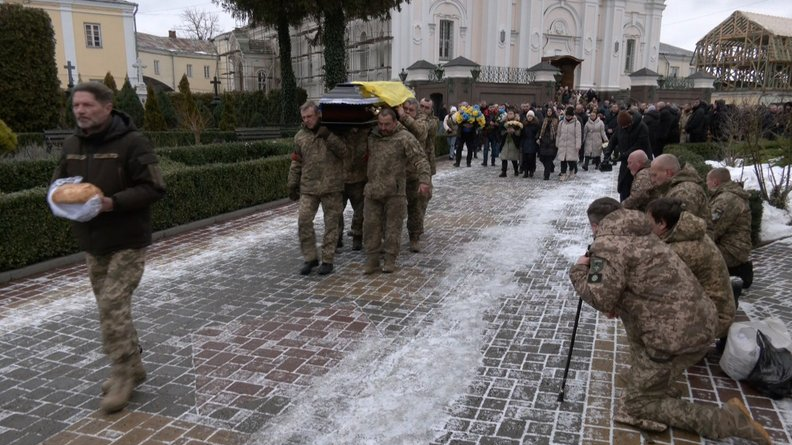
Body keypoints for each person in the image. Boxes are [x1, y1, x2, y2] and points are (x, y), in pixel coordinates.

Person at [569, 197, 771, 444]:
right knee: (639, 370)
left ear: (595, 226)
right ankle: (659, 385)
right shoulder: (643, 233)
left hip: (672, 336)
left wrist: (579, 271)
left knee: (636, 406)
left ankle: (728, 421)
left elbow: (600, 298)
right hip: (700, 322)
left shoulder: (606, 246)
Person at [51, 81, 166, 413]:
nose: (80, 111)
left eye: (87, 105)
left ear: (107, 106)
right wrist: (57, 197)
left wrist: (111, 203)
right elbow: (60, 182)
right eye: (76, 106)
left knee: (112, 304)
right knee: (111, 306)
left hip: (128, 240)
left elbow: (155, 187)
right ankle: (134, 364)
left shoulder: (133, 143)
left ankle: (121, 374)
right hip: (92, 241)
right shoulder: (72, 143)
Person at [646, 198, 736, 341]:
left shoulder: (682, 249)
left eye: (649, 221)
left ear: (662, 224)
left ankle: (677, 350)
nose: (646, 225)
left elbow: (652, 281)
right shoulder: (686, 232)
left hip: (714, 316)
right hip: (715, 304)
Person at [363, 108, 431, 274]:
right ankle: (372, 260)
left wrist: (424, 180)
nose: (383, 128)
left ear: (395, 122)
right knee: (371, 227)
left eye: (387, 124)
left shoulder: (404, 138)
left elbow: (420, 159)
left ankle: (390, 259)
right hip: (372, 191)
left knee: (393, 228)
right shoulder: (371, 137)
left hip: (395, 192)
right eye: (380, 124)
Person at [288, 101, 346, 275]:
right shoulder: (300, 137)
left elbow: (344, 152)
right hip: (309, 186)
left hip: (332, 186)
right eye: (304, 117)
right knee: (304, 221)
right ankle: (310, 258)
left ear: (318, 114)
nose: (307, 120)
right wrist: (292, 183)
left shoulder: (333, 130)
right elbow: (296, 162)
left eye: (310, 116)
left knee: (331, 224)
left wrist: (328, 136)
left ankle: (327, 260)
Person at [707, 168, 754, 289]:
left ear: (715, 182)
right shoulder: (726, 195)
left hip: (732, 250)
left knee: (696, 254)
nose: (706, 185)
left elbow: (712, 228)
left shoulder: (726, 199)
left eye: (707, 181)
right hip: (734, 247)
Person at [649, 154, 712, 234]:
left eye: (655, 175)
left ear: (668, 173)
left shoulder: (685, 191)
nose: (652, 180)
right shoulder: (671, 188)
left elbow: (680, 226)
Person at [607, 109, 651, 201]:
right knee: (623, 186)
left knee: (636, 187)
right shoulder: (621, 127)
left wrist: (623, 155)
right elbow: (613, 139)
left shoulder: (642, 127)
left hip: (639, 162)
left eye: (626, 126)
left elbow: (639, 145)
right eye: (622, 127)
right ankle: (623, 205)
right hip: (626, 162)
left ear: (631, 121)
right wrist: (608, 152)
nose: (624, 128)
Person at [338, 125, 369, 251]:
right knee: (336, 211)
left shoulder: (366, 132)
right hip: (340, 178)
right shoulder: (337, 131)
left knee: (360, 211)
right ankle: (336, 237)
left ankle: (357, 235)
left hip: (359, 178)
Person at [556, 106, 581, 181]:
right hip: (563, 144)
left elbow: (578, 135)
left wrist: (578, 145)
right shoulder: (561, 123)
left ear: (572, 115)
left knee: (571, 160)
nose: (568, 117)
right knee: (563, 160)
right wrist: (557, 143)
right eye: (567, 115)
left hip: (572, 145)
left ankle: (571, 170)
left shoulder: (577, 123)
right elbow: (558, 134)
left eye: (569, 115)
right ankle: (563, 173)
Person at [537, 106, 559, 180]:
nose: (549, 112)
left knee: (549, 158)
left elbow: (557, 131)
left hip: (552, 140)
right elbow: (540, 130)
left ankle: (546, 175)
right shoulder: (544, 120)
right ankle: (551, 166)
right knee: (542, 158)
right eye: (548, 111)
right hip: (543, 140)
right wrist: (539, 137)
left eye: (550, 111)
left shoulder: (556, 120)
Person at [498, 110, 521, 177]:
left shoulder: (517, 122)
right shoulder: (504, 121)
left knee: (513, 158)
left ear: (514, 114)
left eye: (511, 113)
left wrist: (514, 131)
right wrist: (506, 131)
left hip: (513, 141)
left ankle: (516, 171)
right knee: (504, 157)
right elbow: (500, 130)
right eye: (509, 113)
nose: (510, 114)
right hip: (505, 141)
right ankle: (504, 172)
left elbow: (519, 130)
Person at [520, 110, 541, 177]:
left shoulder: (536, 125)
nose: (529, 117)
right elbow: (522, 134)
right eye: (528, 116)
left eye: (531, 116)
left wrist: (537, 138)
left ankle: (531, 170)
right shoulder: (524, 124)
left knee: (531, 158)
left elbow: (538, 133)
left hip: (533, 143)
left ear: (533, 117)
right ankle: (525, 171)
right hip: (525, 143)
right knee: (525, 158)